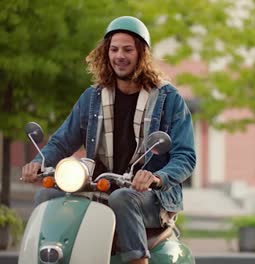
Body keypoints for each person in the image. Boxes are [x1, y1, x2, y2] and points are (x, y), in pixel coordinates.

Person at [21, 16, 196, 264]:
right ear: (106, 53)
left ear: (141, 54)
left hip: (150, 196)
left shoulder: (168, 99)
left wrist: (157, 178)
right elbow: (61, 142)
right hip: (97, 185)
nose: (119, 56)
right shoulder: (92, 98)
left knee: (122, 198)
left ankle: (138, 261)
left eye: (127, 49)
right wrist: (39, 162)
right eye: (114, 49)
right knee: (45, 196)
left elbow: (185, 156)